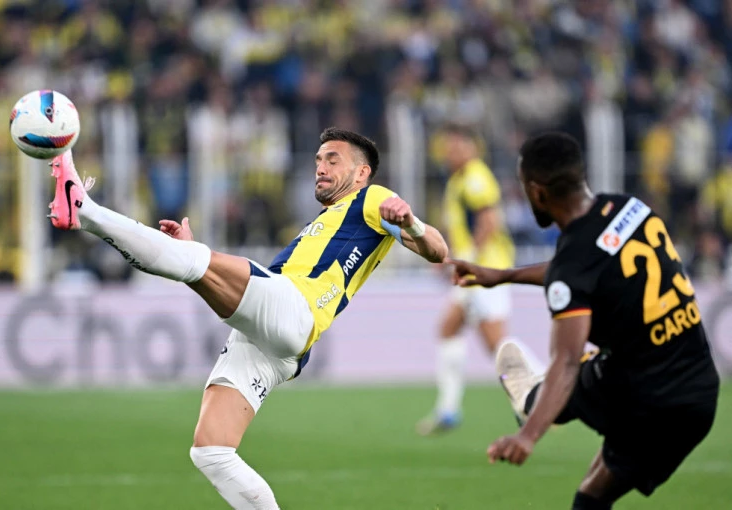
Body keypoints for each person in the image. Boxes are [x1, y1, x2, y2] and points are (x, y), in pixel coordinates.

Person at [46, 127, 448, 509]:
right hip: (277, 344)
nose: (320, 168)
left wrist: (410, 222)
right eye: (317, 160)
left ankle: (84, 209)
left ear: (361, 173)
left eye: (332, 160)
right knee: (211, 451)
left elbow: (438, 251)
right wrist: (191, 259)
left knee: (194, 262)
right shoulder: (328, 220)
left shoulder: (373, 198)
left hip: (295, 309)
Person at [447, 132, 719, 509]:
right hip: (700, 389)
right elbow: (585, 268)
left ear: (537, 192)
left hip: (648, 401)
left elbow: (567, 359)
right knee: (590, 497)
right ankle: (544, 399)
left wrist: (528, 436)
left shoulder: (574, 265)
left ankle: (533, 398)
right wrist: (505, 275)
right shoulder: (630, 208)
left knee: (578, 374)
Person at [416, 124, 532, 436]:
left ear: (473, 148)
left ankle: (536, 395)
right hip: (476, 270)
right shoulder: (459, 180)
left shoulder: (477, 178)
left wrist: (466, 260)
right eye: (448, 147)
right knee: (449, 328)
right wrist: (446, 257)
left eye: (458, 146)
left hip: (486, 271)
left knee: (496, 342)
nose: (451, 152)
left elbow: (489, 223)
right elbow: (459, 226)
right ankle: (448, 409)